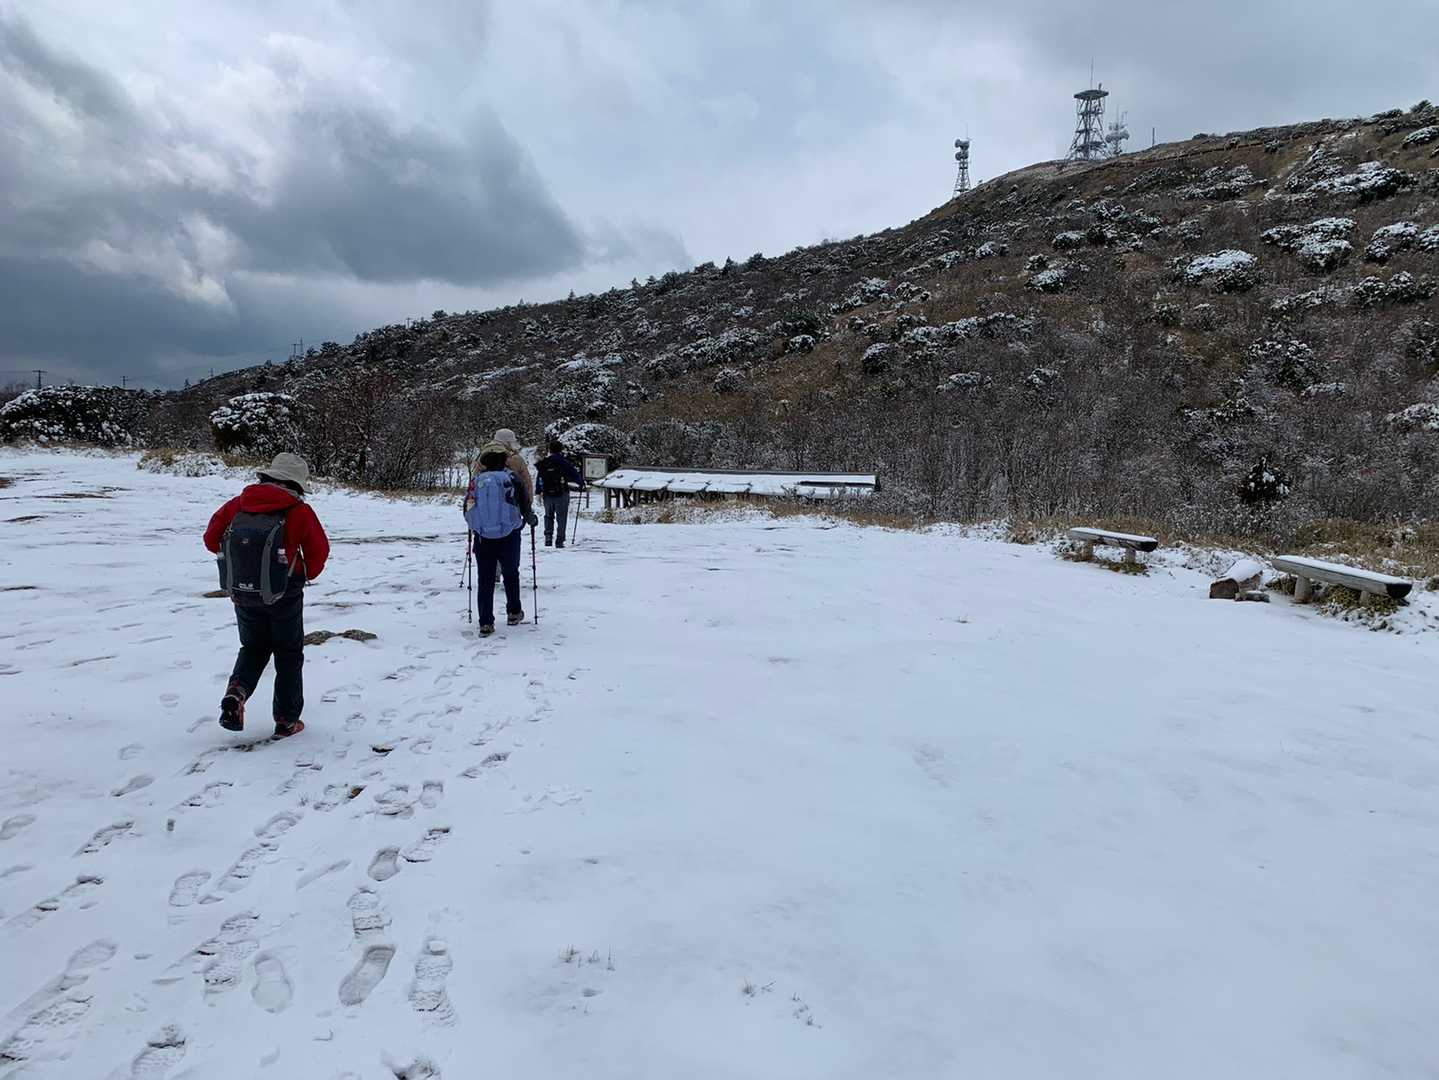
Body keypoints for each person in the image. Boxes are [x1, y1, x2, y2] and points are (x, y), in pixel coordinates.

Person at [203, 452, 329, 738]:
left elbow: (211, 539)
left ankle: (236, 693)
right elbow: (319, 551)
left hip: (244, 591)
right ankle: (287, 721)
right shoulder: (299, 511)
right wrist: (306, 572)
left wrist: (244, 562)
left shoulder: (239, 504)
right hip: (286, 592)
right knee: (288, 654)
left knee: (253, 648)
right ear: (297, 484)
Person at [464, 441, 538, 636]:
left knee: (485, 579)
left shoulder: (477, 480)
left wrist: (474, 526)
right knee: (511, 573)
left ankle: (486, 622)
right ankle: (514, 612)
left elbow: (468, 508)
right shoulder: (512, 477)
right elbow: (524, 504)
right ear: (504, 459)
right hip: (509, 534)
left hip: (483, 537)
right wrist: (530, 519)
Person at [535, 438, 586, 548]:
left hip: (547, 494)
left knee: (548, 516)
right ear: (560, 450)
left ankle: (548, 537)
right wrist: (581, 483)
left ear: (549, 450)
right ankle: (559, 540)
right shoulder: (563, 462)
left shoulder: (545, 462)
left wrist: (538, 491)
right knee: (561, 517)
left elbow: (539, 478)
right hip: (561, 493)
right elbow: (574, 474)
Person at [492, 428, 534, 502]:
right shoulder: (515, 459)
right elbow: (527, 483)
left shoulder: (484, 457)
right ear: (508, 443)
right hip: (511, 503)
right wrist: (528, 502)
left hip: (488, 503)